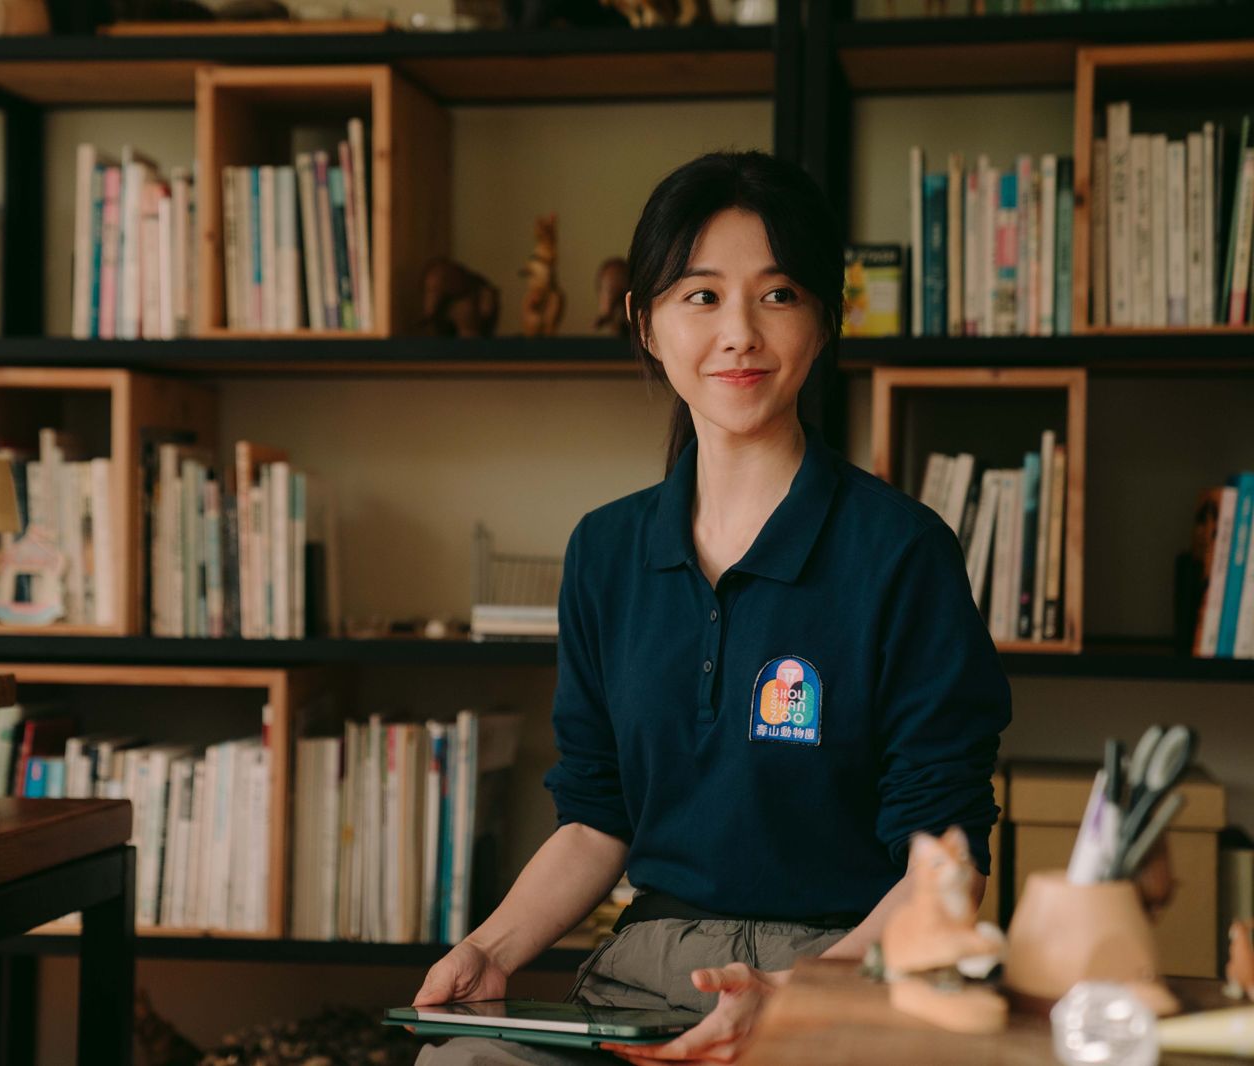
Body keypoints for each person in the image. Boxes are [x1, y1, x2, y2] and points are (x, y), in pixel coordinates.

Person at [412, 149, 1012, 1066]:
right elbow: (594, 817)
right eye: (700, 296)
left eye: (777, 295)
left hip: (847, 970)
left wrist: (794, 995)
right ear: (645, 324)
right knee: (463, 1063)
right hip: (647, 977)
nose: (739, 333)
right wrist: (489, 951)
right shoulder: (605, 553)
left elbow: (948, 859)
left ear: (824, 320)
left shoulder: (901, 552)